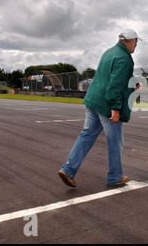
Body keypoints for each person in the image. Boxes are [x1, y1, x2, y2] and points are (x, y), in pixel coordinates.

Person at [58, 29, 142, 188]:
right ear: (129, 40)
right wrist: (116, 108)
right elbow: (114, 85)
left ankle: (68, 170)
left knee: (86, 135)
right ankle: (114, 177)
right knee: (115, 141)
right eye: (136, 41)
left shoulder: (109, 52)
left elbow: (113, 75)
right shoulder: (125, 58)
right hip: (106, 106)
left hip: (92, 101)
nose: (136, 44)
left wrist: (134, 83)